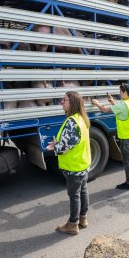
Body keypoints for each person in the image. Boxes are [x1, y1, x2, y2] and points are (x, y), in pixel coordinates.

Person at [46, 91, 91, 236]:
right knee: (83, 191)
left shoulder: (72, 122)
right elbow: (75, 141)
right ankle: (83, 219)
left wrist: (54, 146)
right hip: (82, 163)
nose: (61, 102)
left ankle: (73, 224)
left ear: (72, 103)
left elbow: (65, 147)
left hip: (74, 166)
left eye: (64, 100)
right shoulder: (81, 118)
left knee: (74, 195)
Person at [91, 83, 129, 190]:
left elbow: (104, 110)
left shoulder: (123, 105)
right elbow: (121, 110)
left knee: (127, 162)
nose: (119, 94)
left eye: (120, 92)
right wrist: (112, 102)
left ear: (125, 93)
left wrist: (97, 103)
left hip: (127, 138)